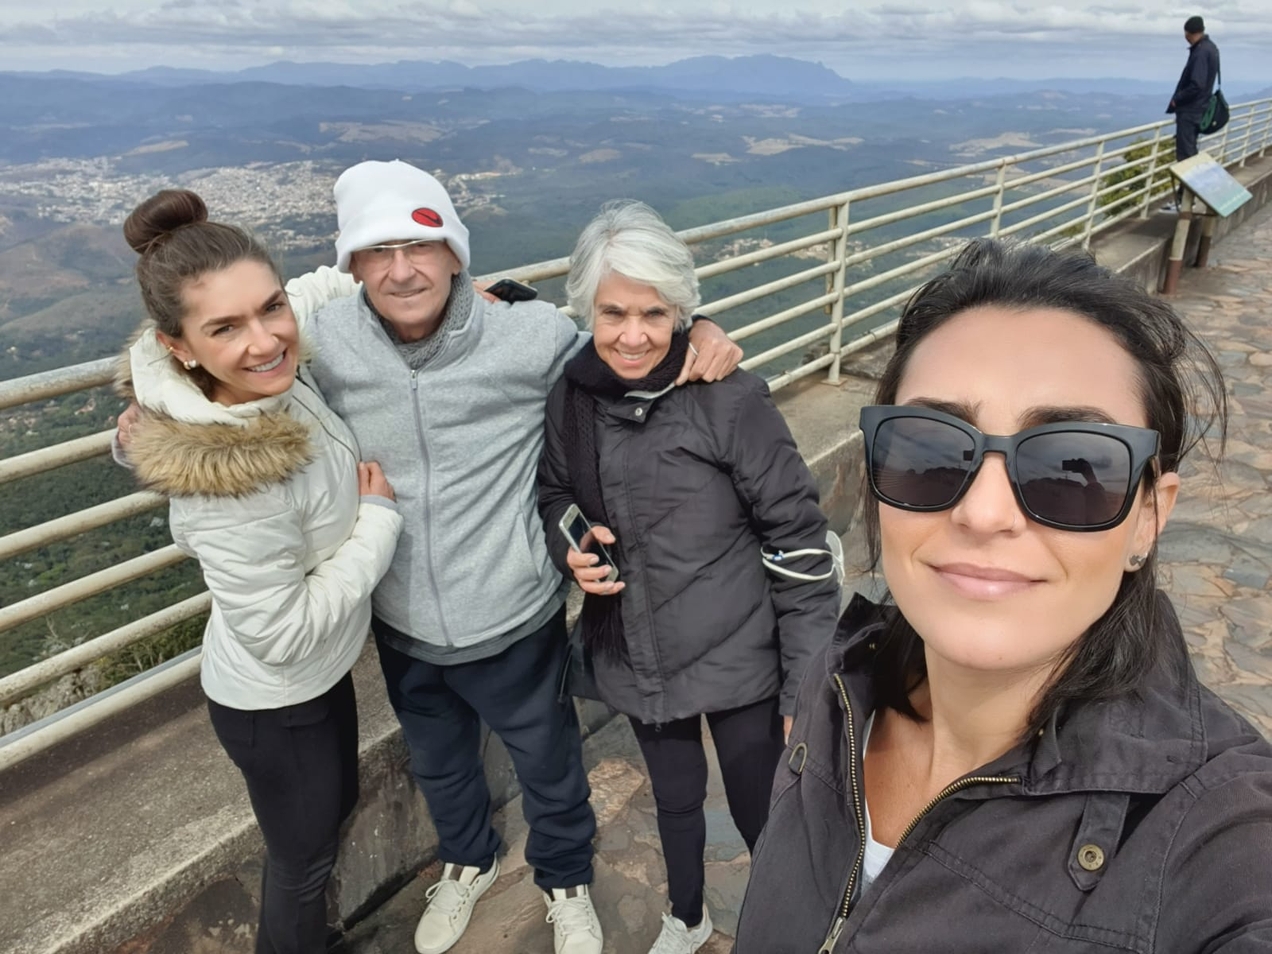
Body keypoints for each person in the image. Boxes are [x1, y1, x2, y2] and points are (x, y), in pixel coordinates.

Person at [733, 239, 1272, 953]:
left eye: (1073, 467)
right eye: (930, 449)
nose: (983, 514)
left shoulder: (1216, 835)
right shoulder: (839, 688)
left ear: (1149, 516)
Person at [278, 161, 744, 954]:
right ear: (350, 262)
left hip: (513, 616)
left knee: (549, 767)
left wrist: (698, 328)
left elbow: (627, 351)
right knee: (440, 765)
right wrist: (146, 419)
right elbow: (232, 383)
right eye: (378, 250)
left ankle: (565, 879)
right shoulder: (325, 343)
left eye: (420, 246)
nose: (401, 270)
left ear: (455, 253)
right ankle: (469, 860)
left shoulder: (527, 336)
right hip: (400, 617)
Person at [537, 200, 842, 954]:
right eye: (613, 313)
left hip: (740, 657)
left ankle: (787, 934)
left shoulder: (728, 398)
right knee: (674, 800)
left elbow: (799, 542)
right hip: (638, 656)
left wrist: (803, 686)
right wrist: (571, 542)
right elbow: (555, 491)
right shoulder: (572, 397)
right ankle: (687, 915)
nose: (632, 334)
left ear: (682, 312)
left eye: (654, 313)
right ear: (586, 310)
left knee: (763, 814)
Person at [115, 189, 404, 954]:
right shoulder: (234, 488)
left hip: (315, 679)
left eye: (270, 307)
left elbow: (322, 286)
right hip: (278, 702)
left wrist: (456, 286)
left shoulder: (256, 375)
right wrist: (378, 522)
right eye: (225, 328)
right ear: (178, 347)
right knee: (303, 861)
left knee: (329, 816)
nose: (267, 339)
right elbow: (282, 634)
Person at [1165, 15, 1220, 208]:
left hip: (1191, 111)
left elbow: (1196, 84)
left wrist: (1177, 99)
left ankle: (1185, 201)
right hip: (1200, 109)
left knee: (1186, 157)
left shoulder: (1200, 52)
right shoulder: (1211, 48)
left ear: (1188, 33)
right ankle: (1185, 198)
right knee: (1191, 154)